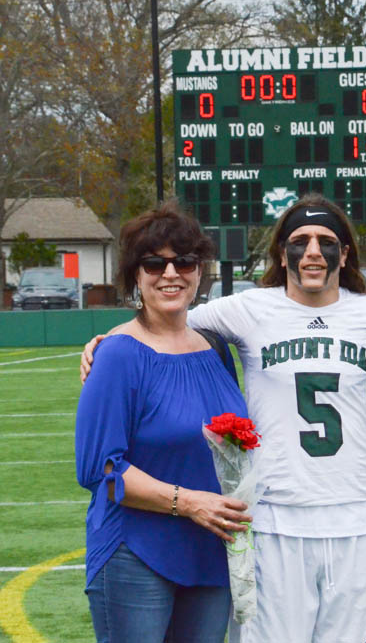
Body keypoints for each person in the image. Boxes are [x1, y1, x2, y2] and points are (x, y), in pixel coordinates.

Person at [81, 195, 366, 643]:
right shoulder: (247, 310)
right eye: (300, 241)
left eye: (326, 241)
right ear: (282, 254)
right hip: (270, 519)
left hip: (352, 516)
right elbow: (162, 322)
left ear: (345, 254)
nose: (313, 251)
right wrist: (106, 341)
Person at [75, 204, 252, 643]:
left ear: (199, 271)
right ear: (135, 276)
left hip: (211, 550)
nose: (170, 273)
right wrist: (189, 503)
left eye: (184, 261)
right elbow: (100, 470)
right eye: (154, 263)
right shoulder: (118, 354)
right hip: (136, 552)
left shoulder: (216, 349)